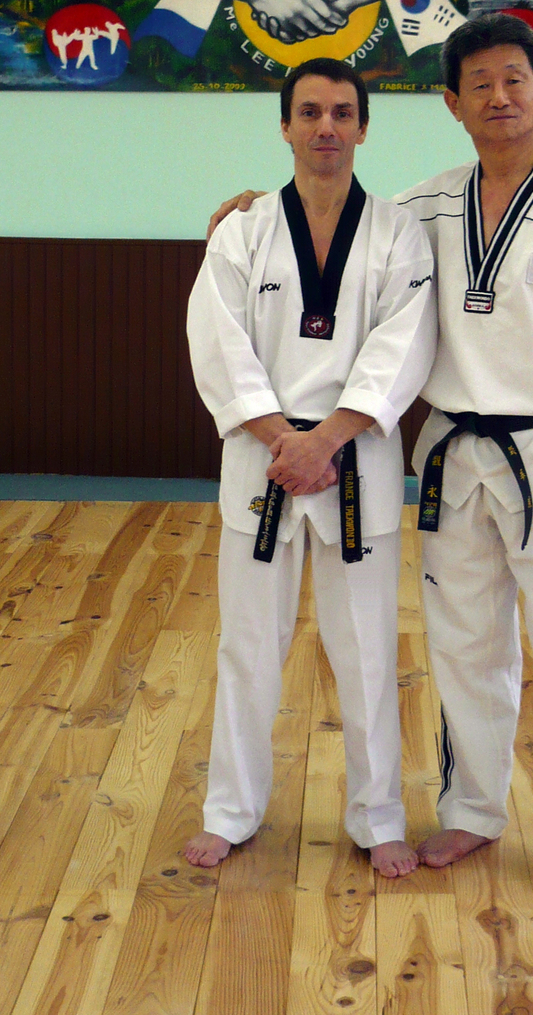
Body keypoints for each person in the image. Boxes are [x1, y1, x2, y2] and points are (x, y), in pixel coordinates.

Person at [206, 14, 533, 899]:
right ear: (452, 103)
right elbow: (333, 210)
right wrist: (251, 205)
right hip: (454, 449)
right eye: (479, 84)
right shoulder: (428, 207)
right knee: (463, 646)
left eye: (515, 80)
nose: (499, 97)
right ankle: (474, 810)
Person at [185, 57, 437, 878]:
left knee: (366, 650)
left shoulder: (398, 232)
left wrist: (323, 439)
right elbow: (217, 343)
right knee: (247, 645)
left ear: (363, 127)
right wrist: (281, 438)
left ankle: (379, 816)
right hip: (263, 460)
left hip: (352, 459)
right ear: (285, 126)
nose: (326, 127)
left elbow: (404, 346)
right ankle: (230, 810)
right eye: (310, 112)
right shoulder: (242, 230)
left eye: (341, 113)